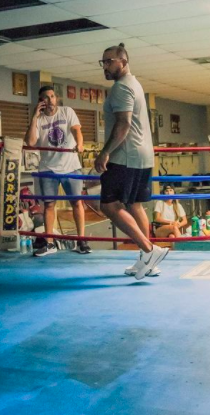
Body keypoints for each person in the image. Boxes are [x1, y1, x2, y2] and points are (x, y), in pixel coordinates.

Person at [94, 43, 168, 280]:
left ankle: (149, 249)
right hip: (143, 155)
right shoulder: (135, 83)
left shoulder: (121, 88)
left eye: (109, 61)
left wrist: (105, 152)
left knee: (109, 205)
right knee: (135, 204)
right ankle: (147, 260)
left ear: (123, 62)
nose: (105, 66)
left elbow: (123, 124)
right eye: (103, 62)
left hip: (125, 157)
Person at [25, 84, 90, 256]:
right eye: (46, 97)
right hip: (48, 168)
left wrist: (80, 144)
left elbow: (76, 130)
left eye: (52, 96)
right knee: (49, 205)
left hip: (71, 166)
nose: (50, 100)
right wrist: (34, 117)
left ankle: (81, 241)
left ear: (56, 98)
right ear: (41, 101)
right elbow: (30, 142)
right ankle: (50, 242)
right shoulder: (39, 120)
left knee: (77, 202)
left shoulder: (67, 111)